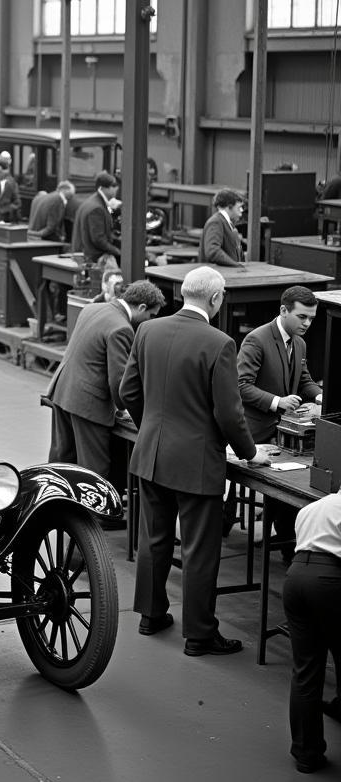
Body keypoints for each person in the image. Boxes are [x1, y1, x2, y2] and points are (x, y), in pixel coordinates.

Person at [119, 266, 271, 654]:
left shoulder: (147, 331)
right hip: (196, 462)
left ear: (181, 293)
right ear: (216, 299)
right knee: (199, 551)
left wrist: (151, 427)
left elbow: (128, 390)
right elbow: (228, 414)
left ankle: (151, 616)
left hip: (151, 454)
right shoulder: (218, 343)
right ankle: (199, 634)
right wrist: (252, 453)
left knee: (153, 539)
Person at [236, 285, 323, 558]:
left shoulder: (300, 343)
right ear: (283, 311)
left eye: (311, 318)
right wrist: (278, 401)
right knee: (282, 489)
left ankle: (288, 544)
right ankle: (288, 546)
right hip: (257, 434)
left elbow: (304, 378)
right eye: (302, 317)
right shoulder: (256, 340)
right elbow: (241, 386)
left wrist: (321, 398)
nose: (307, 324)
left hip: (284, 434)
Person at [47, 280, 165, 479]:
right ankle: (91, 511)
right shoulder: (121, 329)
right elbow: (119, 383)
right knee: (94, 472)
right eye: (150, 315)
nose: (149, 320)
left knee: (61, 463)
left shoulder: (92, 308)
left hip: (62, 391)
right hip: (88, 405)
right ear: (142, 307)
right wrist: (129, 411)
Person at [282, 490, 341, 773]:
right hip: (330, 580)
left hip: (295, 579)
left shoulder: (312, 508)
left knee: (306, 667)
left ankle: (306, 752)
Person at [71, 171, 120, 263]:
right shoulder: (97, 208)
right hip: (92, 260)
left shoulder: (93, 201)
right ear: (102, 188)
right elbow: (98, 239)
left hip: (84, 257)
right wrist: (117, 251)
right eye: (113, 186)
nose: (116, 188)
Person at [198, 188, 245, 267]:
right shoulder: (216, 222)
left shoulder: (226, 224)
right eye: (238, 207)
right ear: (229, 207)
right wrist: (235, 265)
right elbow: (212, 251)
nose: (241, 211)